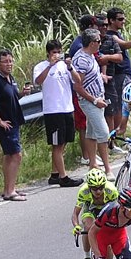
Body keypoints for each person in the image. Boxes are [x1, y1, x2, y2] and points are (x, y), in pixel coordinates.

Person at [34, 39, 82, 187]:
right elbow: (38, 81)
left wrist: (70, 66)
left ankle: (55, 174)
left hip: (67, 108)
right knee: (57, 144)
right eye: (54, 52)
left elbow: (78, 80)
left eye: (59, 52)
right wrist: (50, 65)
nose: (57, 55)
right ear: (48, 53)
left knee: (64, 142)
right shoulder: (41, 66)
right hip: (53, 110)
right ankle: (63, 177)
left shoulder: (65, 66)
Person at [0, 49, 32, 202]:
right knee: (16, 155)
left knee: (9, 156)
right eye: (5, 62)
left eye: (11, 61)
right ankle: (10, 192)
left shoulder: (9, 78)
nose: (9, 64)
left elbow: (12, 96)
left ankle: (8, 189)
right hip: (6, 124)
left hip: (14, 121)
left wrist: (22, 93)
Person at [70, 29, 114, 179]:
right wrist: (94, 100)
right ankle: (108, 169)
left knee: (91, 132)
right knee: (103, 133)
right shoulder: (81, 59)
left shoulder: (90, 56)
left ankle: (92, 164)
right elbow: (78, 86)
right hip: (90, 101)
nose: (100, 43)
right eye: (98, 41)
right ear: (91, 43)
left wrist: (100, 77)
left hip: (98, 98)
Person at [71, 168, 119, 259]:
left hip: (107, 210)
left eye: (101, 187)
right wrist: (76, 226)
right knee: (88, 227)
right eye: (94, 188)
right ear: (89, 187)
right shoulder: (83, 191)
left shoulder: (111, 190)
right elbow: (75, 214)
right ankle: (87, 258)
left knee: (108, 232)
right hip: (90, 210)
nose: (98, 191)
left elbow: (117, 211)